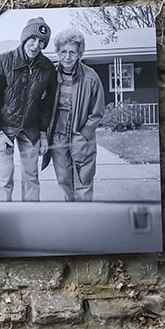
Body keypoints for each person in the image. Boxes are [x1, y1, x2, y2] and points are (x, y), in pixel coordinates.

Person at [0, 17, 57, 201]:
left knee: (32, 178)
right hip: (3, 128)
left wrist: (42, 133)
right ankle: (4, 217)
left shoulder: (47, 68)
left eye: (42, 42)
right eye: (32, 39)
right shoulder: (2, 61)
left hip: (31, 129)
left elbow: (47, 103)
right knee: (4, 179)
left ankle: (30, 219)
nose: (36, 45)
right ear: (24, 38)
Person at [46, 28, 108, 202]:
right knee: (64, 181)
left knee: (83, 182)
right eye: (63, 52)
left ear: (79, 53)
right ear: (58, 52)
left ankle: (85, 221)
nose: (67, 57)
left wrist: (84, 134)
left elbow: (97, 112)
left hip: (80, 135)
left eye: (72, 52)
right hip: (58, 138)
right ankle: (72, 217)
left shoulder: (90, 77)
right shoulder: (50, 75)